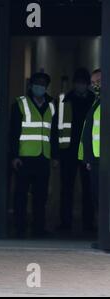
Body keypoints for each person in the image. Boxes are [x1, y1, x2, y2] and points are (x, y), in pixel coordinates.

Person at [10, 72, 59, 238]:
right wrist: (14, 156)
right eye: (37, 83)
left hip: (43, 157)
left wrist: (55, 156)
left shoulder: (51, 105)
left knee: (41, 196)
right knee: (21, 195)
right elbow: (13, 132)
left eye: (43, 84)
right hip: (24, 157)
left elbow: (54, 132)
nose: (40, 86)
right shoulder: (20, 104)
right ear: (31, 85)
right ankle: (20, 227)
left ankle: (39, 228)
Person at [58, 68, 96, 232]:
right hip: (68, 152)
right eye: (78, 82)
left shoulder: (94, 101)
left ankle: (88, 223)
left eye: (83, 82)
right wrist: (56, 154)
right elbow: (56, 127)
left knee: (89, 189)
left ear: (87, 84)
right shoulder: (65, 100)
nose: (80, 85)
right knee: (67, 189)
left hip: (87, 151)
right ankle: (65, 223)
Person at [79, 68, 101, 229]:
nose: (95, 86)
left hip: (103, 159)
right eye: (93, 83)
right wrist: (87, 158)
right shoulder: (98, 101)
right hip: (95, 158)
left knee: (103, 198)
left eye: (98, 82)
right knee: (97, 197)